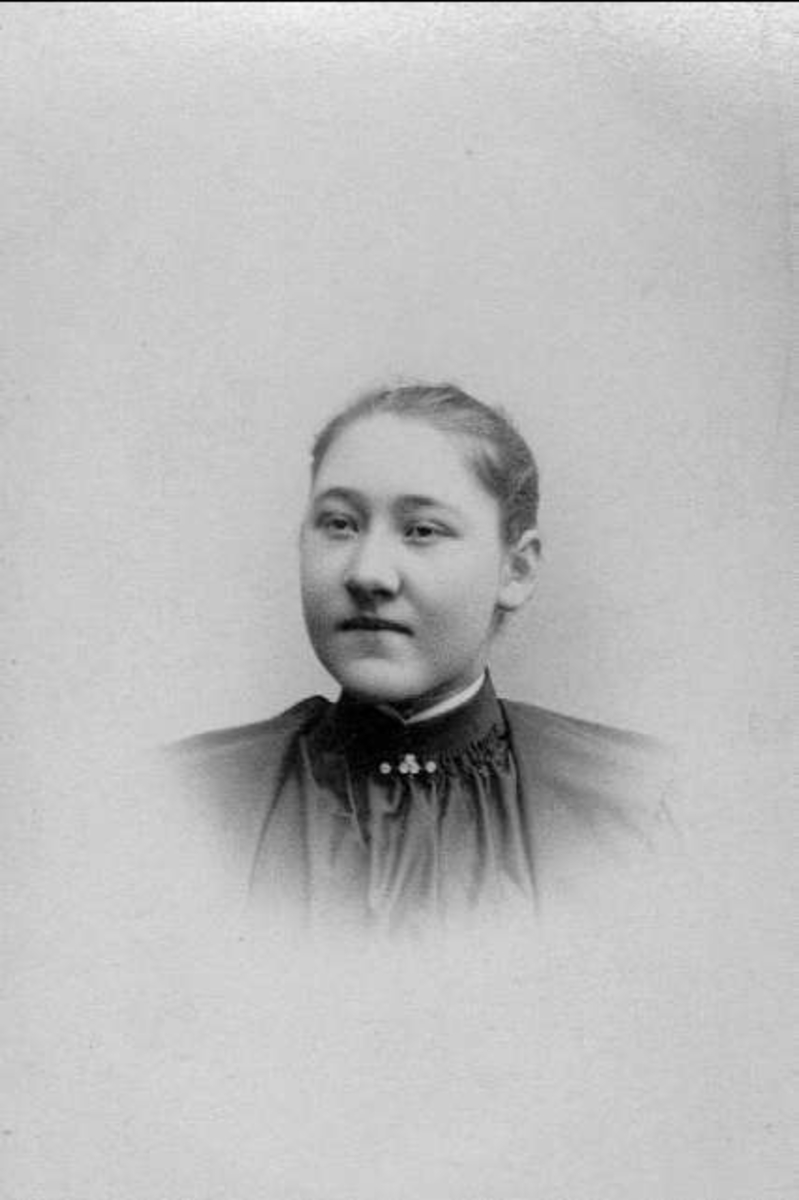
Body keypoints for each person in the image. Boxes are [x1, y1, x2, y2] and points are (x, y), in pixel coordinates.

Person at [166, 383, 676, 934]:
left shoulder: (633, 804)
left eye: (422, 531)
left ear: (516, 570)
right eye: (339, 523)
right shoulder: (183, 797)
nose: (367, 573)